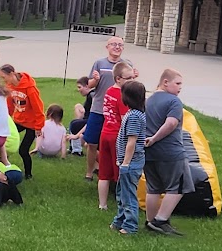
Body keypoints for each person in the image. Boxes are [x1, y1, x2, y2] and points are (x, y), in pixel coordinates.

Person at [141, 68, 189, 236]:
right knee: (179, 186)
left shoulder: (148, 100)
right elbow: (171, 123)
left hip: (149, 153)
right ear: (165, 82)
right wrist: (155, 138)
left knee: (153, 188)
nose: (180, 87)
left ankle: (150, 221)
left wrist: (148, 140)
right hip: (170, 152)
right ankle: (160, 220)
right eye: (178, 83)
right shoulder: (174, 101)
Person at [80, 36, 130, 181]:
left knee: (115, 144)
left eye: (120, 45)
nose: (117, 47)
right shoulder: (99, 63)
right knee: (92, 143)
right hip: (98, 109)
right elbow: (89, 85)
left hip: (117, 112)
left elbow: (131, 86)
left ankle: (111, 174)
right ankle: (90, 172)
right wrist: (95, 79)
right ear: (107, 47)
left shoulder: (126, 65)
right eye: (114, 44)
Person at [112, 79, 148, 235]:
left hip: (131, 163)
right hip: (126, 162)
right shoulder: (134, 113)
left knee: (128, 196)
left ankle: (130, 226)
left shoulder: (134, 116)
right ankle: (119, 221)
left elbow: (131, 141)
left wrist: (126, 163)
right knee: (121, 193)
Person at [0, 63, 46, 177]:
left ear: (11, 74)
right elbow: (9, 105)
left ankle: (28, 174)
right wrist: (6, 119)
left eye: (4, 77)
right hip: (19, 120)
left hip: (31, 124)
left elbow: (38, 108)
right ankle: (1, 167)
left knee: (23, 150)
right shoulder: (10, 86)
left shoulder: (30, 88)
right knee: (2, 140)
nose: (4, 81)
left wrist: (38, 127)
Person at [95, 62, 128, 210]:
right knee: (121, 171)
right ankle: (123, 204)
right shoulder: (122, 96)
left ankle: (102, 204)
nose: (131, 81)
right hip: (117, 136)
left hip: (105, 133)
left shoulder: (109, 91)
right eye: (128, 78)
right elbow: (124, 118)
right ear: (118, 79)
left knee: (104, 173)